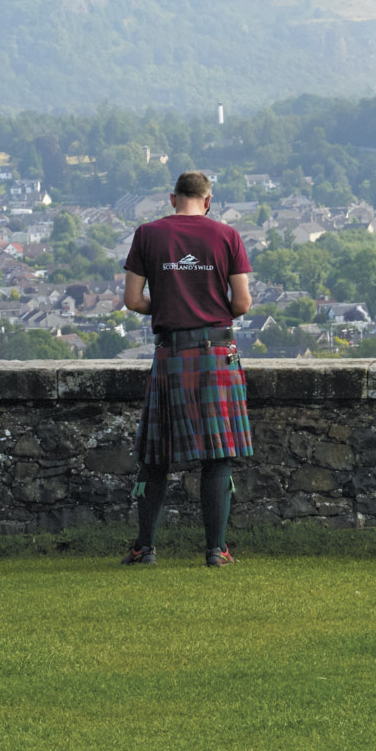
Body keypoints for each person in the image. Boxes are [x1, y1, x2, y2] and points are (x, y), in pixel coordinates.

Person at [120, 170, 253, 567]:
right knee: (218, 454)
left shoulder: (148, 234)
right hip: (216, 352)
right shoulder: (227, 236)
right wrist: (210, 312)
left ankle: (145, 549)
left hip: (172, 354)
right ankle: (217, 550)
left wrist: (167, 307)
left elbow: (132, 299)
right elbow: (243, 303)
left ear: (172, 198)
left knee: (156, 455)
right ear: (208, 201)